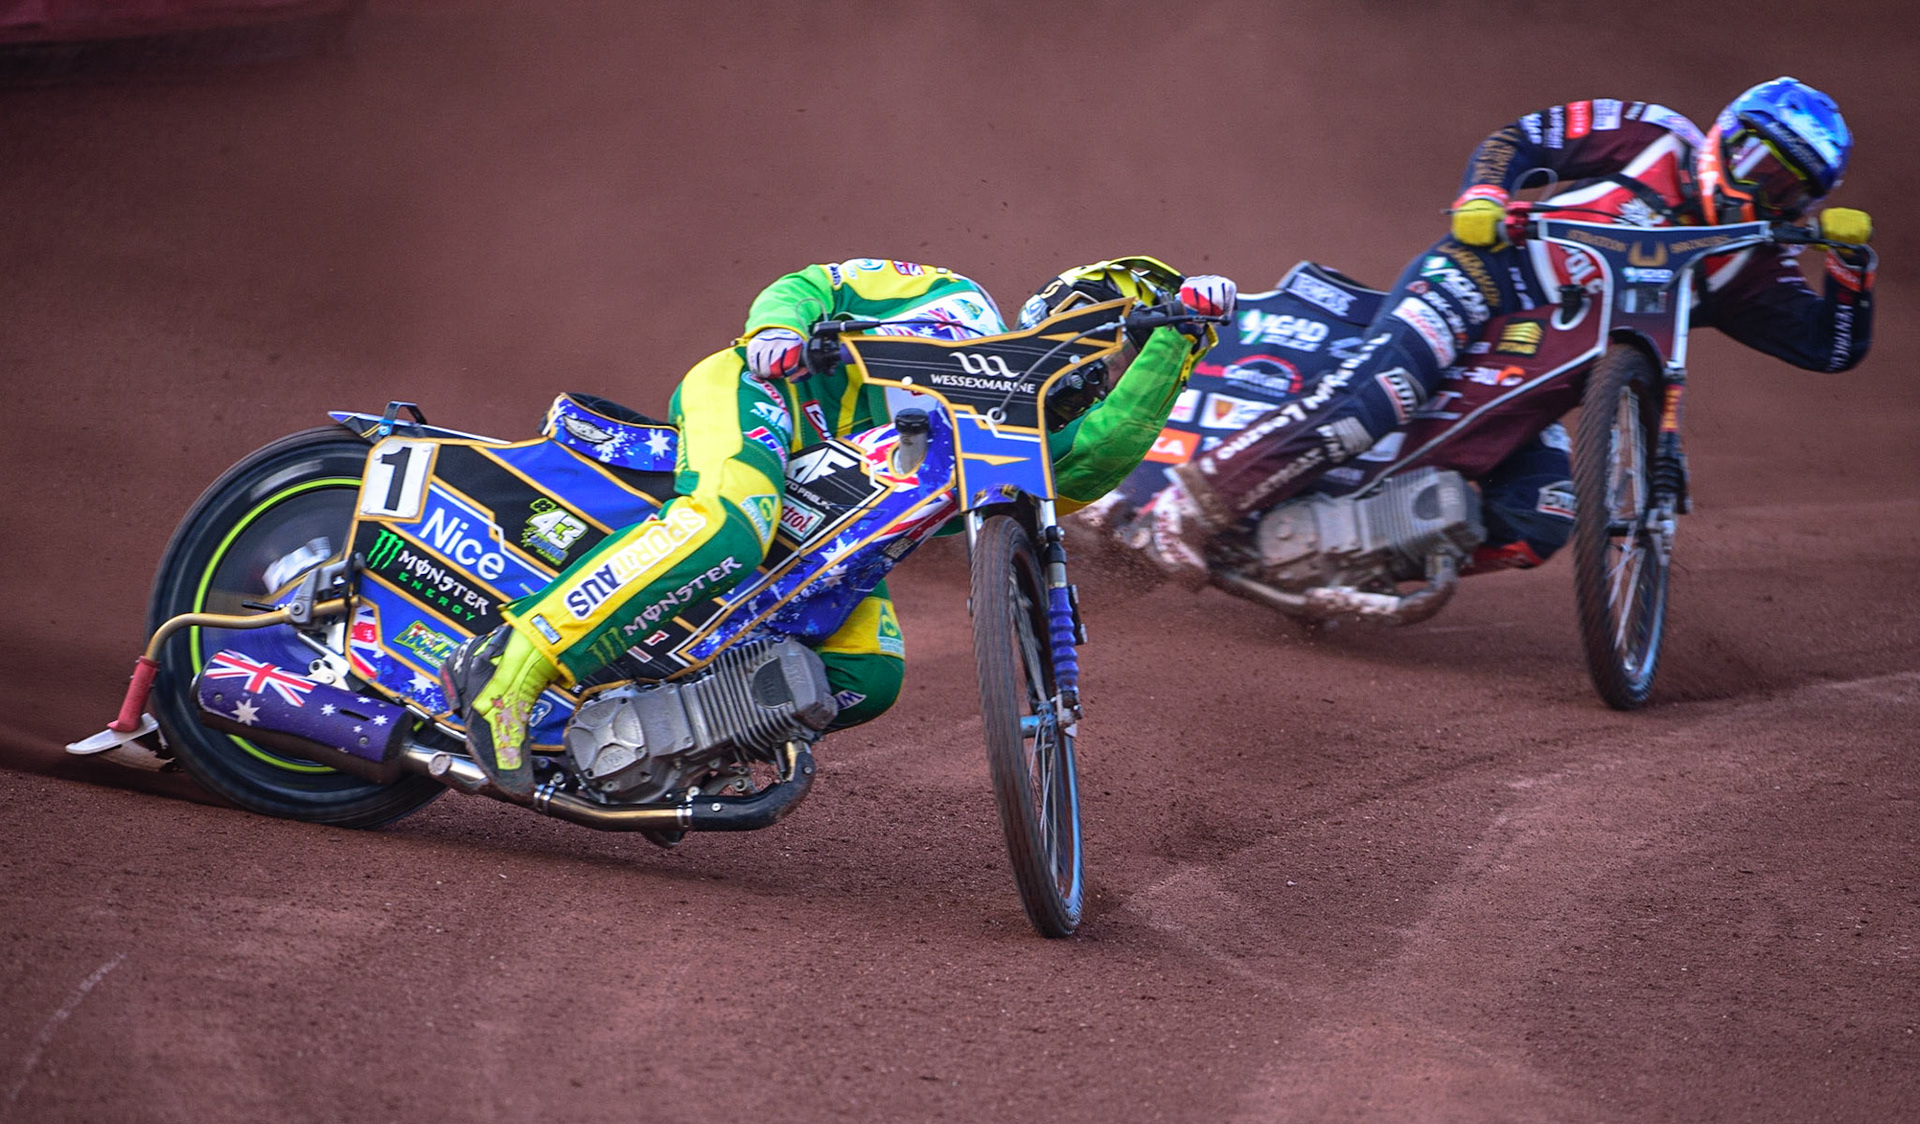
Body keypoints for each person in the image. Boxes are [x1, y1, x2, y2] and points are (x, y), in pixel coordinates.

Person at [442, 256, 1237, 797]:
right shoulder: (952, 301)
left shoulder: (1017, 448)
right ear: (1059, 306)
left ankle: (648, 743)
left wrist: (1177, 341)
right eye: (1110, 330)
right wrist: (776, 332)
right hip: (763, 408)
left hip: (827, 533)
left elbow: (1094, 461)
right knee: (728, 528)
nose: (1102, 363)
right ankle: (508, 675)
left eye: (1120, 355)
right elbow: (811, 282)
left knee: (869, 678)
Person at [1133, 77, 1877, 587]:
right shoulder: (1652, 135)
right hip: (1485, 276)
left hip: (1549, 370)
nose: (1758, 186)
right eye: (1754, 158)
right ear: (1725, 133)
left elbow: (1829, 346)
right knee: (1379, 396)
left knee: (1543, 514)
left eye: (1785, 185)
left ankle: (1324, 558)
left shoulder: (1753, 261)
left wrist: (1851, 268)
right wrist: (1486, 193)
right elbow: (1523, 138)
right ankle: (1192, 505)